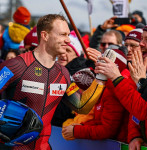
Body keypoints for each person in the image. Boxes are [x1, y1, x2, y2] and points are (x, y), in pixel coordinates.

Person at [0, 14, 72, 150]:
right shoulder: (15, 65)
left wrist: (101, 79)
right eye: (63, 34)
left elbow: (81, 106)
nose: (68, 40)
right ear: (45, 35)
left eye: (68, 35)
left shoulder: (64, 74)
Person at [94, 24, 147, 149]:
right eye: (126, 45)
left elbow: (142, 109)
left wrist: (115, 77)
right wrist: (136, 135)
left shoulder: (138, 71)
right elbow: (134, 111)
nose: (141, 44)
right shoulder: (143, 68)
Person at [62, 49, 129, 143]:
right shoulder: (104, 87)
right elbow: (100, 121)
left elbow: (108, 130)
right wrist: (81, 126)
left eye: (102, 65)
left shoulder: (112, 92)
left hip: (118, 145)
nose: (96, 69)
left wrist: (76, 131)